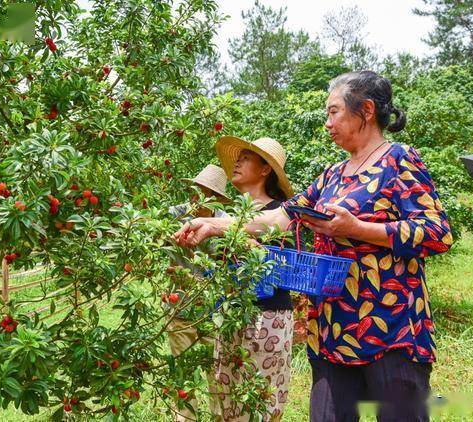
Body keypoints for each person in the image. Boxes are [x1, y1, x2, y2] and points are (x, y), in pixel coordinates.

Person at [173, 70, 453, 421]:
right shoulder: (331, 175)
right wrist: (214, 224)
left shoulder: (399, 161)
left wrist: (358, 228)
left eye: (333, 111)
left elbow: (436, 232)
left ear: (365, 111)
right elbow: (281, 217)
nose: (327, 123)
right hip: (332, 332)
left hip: (390, 328)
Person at [212, 136, 295, 421]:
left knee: (261, 398)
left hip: (267, 318)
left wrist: (226, 230)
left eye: (246, 158)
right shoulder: (230, 216)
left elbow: (279, 267)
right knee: (229, 398)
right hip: (229, 315)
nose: (237, 162)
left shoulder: (280, 213)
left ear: (264, 170)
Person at [166, 164, 229, 421]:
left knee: (216, 377)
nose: (199, 196)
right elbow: (158, 250)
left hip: (212, 314)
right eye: (197, 190)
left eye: (206, 192)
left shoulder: (225, 222)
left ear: (215, 197)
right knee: (182, 377)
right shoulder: (175, 215)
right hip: (179, 308)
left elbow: (229, 262)